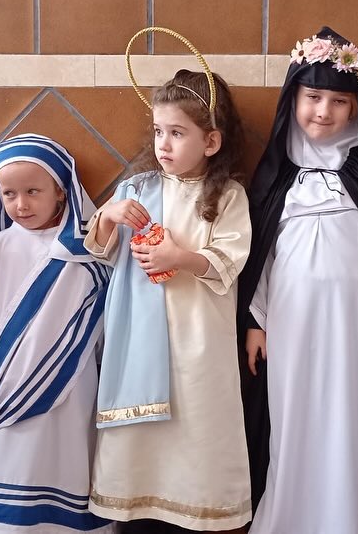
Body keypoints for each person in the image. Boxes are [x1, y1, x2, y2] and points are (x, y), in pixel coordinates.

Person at [239, 26, 358, 534]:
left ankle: (350, 520)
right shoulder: (276, 185)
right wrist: (255, 322)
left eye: (339, 101)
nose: (324, 111)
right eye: (313, 97)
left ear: (356, 110)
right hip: (291, 327)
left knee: (352, 419)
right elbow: (261, 261)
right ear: (292, 100)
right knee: (292, 419)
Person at [86, 69, 252, 532]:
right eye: (159, 131)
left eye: (177, 133)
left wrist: (180, 258)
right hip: (139, 345)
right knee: (142, 447)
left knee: (195, 433)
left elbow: (229, 260)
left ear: (211, 141)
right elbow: (100, 250)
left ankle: (195, 512)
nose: (163, 144)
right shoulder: (137, 190)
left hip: (197, 344)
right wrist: (108, 216)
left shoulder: (227, 197)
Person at [0, 133, 113, 533]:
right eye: (9, 194)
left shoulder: (87, 251)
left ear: (60, 191)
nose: (21, 205)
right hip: (7, 383)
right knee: (14, 464)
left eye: (32, 191)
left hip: (71, 380)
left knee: (69, 457)